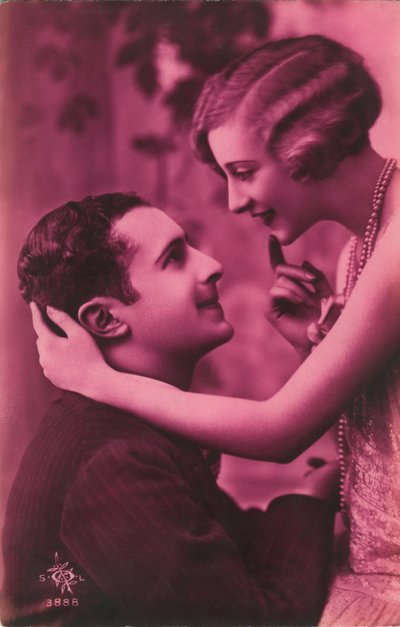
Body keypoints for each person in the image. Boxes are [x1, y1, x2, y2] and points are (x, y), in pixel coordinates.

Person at [30, 35, 400, 625]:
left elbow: (280, 431)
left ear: (309, 143)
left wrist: (97, 379)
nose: (233, 201)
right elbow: (378, 427)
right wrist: (314, 345)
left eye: (244, 172)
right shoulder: (357, 252)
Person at [2, 193, 337, 627]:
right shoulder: (115, 460)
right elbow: (256, 622)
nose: (212, 265)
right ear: (105, 320)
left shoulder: (134, 425)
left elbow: (233, 552)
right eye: (174, 258)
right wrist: (313, 498)